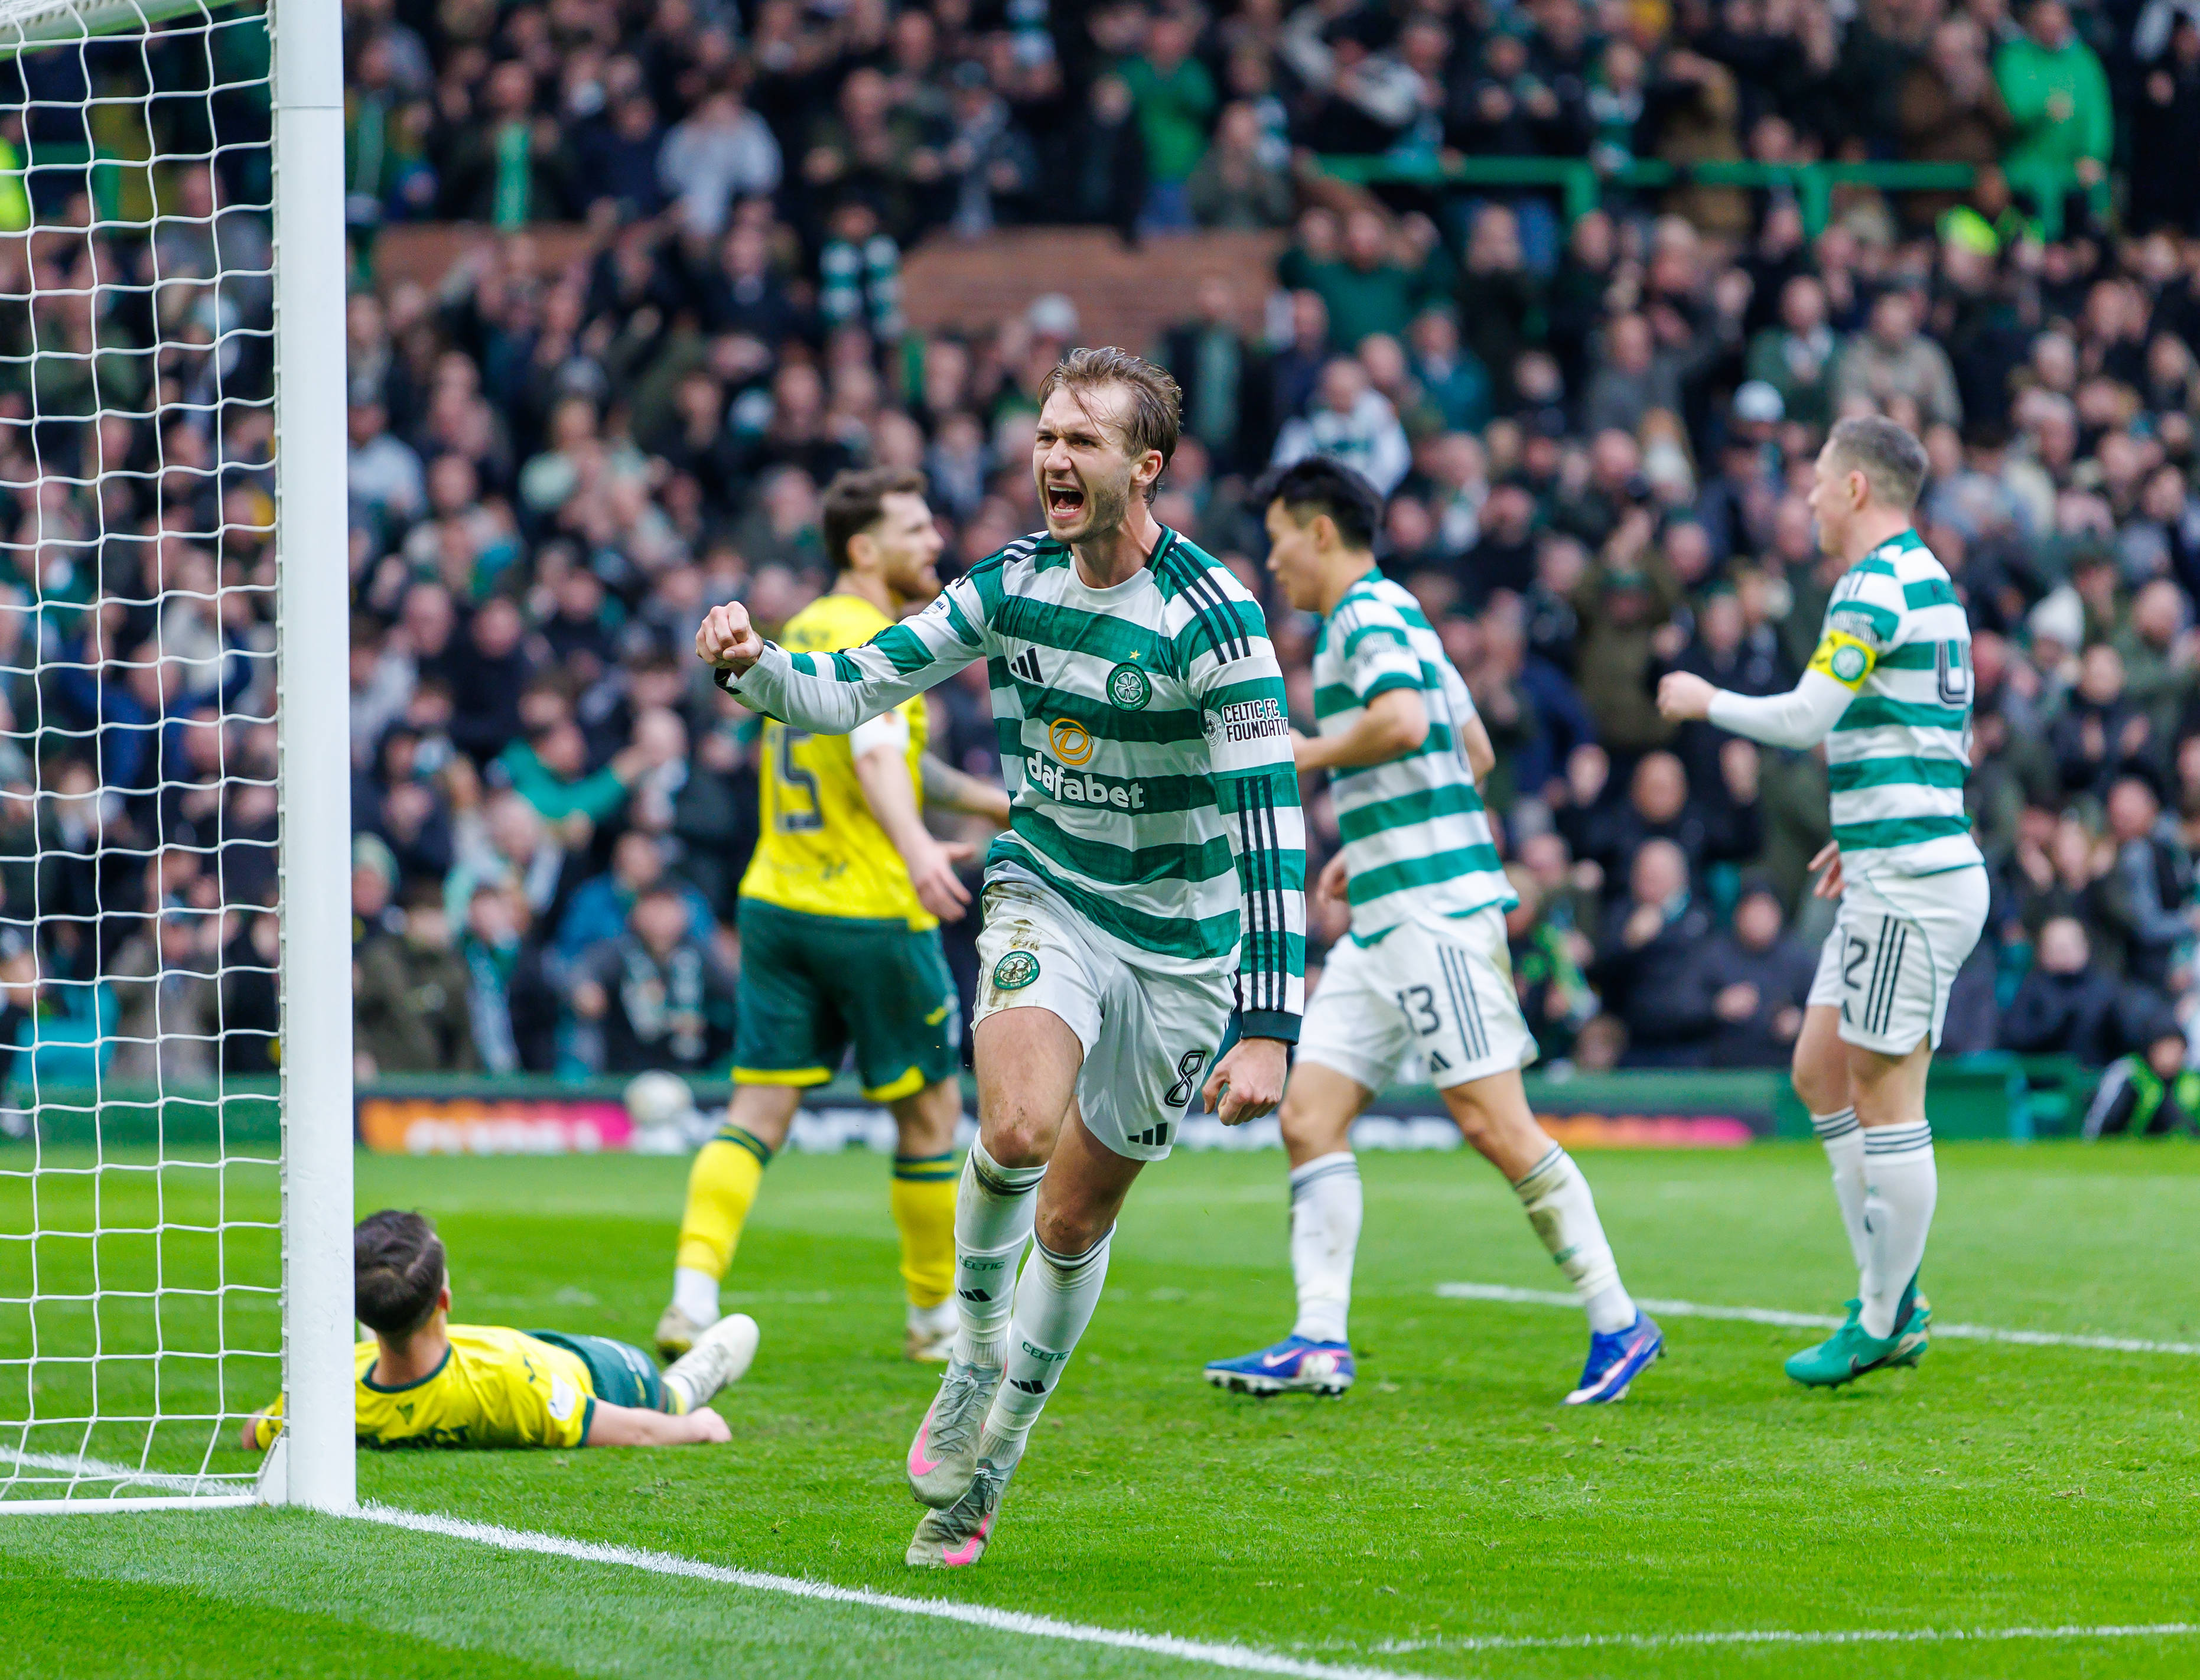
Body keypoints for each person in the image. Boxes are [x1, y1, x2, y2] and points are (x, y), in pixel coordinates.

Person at [697, 348, 1303, 1569]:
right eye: (1043, 437)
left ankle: (993, 1465)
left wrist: (1267, 1021)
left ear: (1146, 465)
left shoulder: (1214, 617)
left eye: (1081, 441)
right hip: (1048, 890)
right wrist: (755, 669)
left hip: (1182, 950)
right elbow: (856, 685)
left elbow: (1269, 819)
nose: (1051, 460)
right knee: (1015, 1128)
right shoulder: (1009, 581)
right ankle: (970, 1356)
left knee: (1074, 1221)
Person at [1203, 457, 1661, 1406]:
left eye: (1281, 535)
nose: (1274, 559)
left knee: (1496, 1124)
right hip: (1387, 911)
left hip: (1434, 918)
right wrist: (1370, 841)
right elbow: (1473, 748)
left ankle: (1619, 1321)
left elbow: (1406, 723)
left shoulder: (1362, 617)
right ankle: (1319, 1341)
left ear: (1320, 530)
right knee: (1309, 1114)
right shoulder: (1401, 614)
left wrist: (1312, 753)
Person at [658, 467, 1012, 1369]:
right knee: (931, 1117)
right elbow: (878, 750)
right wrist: (918, 848)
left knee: (757, 1111)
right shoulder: (872, 633)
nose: (936, 543)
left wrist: (999, 805)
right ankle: (936, 1318)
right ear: (865, 549)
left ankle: (693, 1297)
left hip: (778, 898)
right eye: (916, 530)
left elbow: (910, 761)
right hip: (869, 908)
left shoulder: (806, 630)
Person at [1659, 414, 1987, 1388]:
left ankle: (1885, 1314)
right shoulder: (1925, 582)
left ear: (1854, 489)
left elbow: (1807, 713)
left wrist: (1702, 697)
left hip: (1910, 888)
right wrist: (1864, 824)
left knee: (1886, 1092)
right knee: (1817, 1070)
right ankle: (1890, 1292)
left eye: (1813, 478)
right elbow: (1929, 732)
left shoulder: (1873, 582)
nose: (1802, 496)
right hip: (1892, 865)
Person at [242, 1212, 754, 1452]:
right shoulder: (507, 1383)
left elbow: (254, 1432)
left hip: (490, 1356)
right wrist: (695, 1426)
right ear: (444, 1299)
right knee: (677, 1388)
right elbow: (632, 1429)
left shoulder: (330, 1392)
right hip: (601, 1374)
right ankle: (691, 1382)